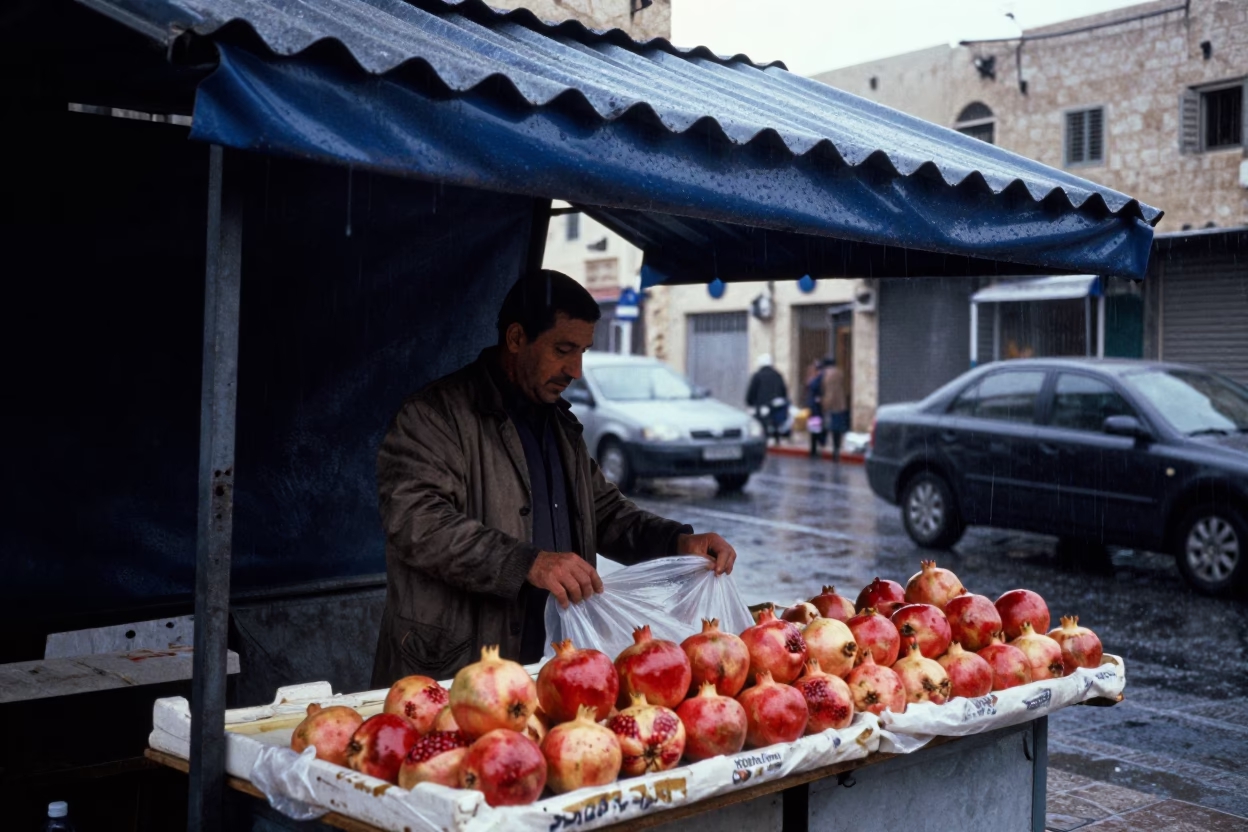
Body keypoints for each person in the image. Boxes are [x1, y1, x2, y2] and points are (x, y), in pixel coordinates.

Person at [372, 270, 738, 685]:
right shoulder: (434, 415)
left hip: (553, 660)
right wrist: (527, 562)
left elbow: (604, 512)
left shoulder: (561, 425)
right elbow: (417, 522)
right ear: (515, 338)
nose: (576, 369)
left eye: (583, 351)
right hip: (457, 668)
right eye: (563, 349)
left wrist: (676, 541)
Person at [745, 354, 789, 446]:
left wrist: (749, 402)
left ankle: (766, 438)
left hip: (762, 406)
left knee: (761, 423)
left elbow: (752, 391)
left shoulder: (757, 376)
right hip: (776, 406)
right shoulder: (778, 375)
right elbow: (784, 390)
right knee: (776, 422)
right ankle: (776, 438)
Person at [818, 357, 850, 463]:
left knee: (827, 427)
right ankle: (836, 449)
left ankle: (823, 447)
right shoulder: (839, 373)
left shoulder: (827, 375)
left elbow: (829, 392)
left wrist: (825, 404)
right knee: (838, 430)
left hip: (831, 405)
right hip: (840, 405)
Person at [804, 358, 826, 458]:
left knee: (816, 429)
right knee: (815, 429)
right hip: (815, 407)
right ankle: (814, 449)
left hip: (816, 407)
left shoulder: (818, 378)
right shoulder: (816, 378)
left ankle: (814, 449)